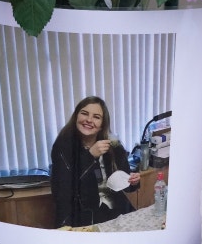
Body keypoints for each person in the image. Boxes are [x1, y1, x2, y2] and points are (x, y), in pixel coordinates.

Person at [50, 96, 140, 228]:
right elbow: (63, 191)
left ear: (102, 124)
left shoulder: (113, 145)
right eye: (84, 113)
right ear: (76, 116)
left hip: (116, 209)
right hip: (82, 213)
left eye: (96, 117)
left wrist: (133, 181)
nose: (89, 120)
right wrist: (90, 156)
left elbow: (125, 185)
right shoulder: (63, 145)